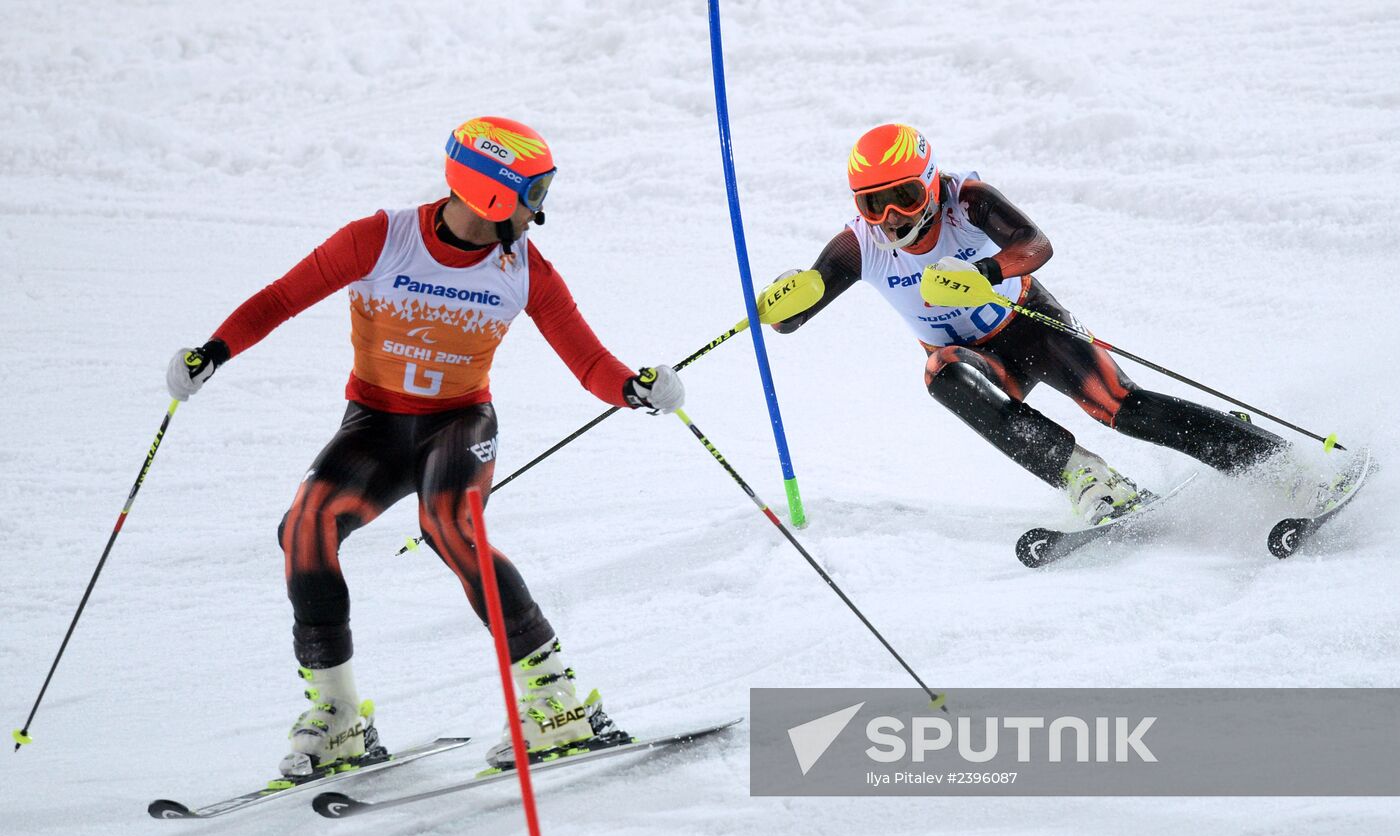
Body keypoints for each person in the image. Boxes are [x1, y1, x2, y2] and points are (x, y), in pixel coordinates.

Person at [166, 116, 685, 776]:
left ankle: (556, 702)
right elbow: (280, 299)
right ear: (493, 195)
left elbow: (588, 362)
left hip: (459, 426)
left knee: (447, 524)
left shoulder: (526, 269)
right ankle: (339, 719)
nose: (541, 208)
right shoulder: (379, 240)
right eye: (535, 192)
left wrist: (636, 388)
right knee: (305, 527)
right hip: (375, 427)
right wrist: (212, 352)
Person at [770, 123, 1287, 523]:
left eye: (904, 197)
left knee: (1119, 408)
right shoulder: (858, 244)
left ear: (930, 183)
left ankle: (1274, 461)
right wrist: (783, 301)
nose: (892, 218)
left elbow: (1037, 245)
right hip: (985, 365)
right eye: (872, 204)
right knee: (941, 372)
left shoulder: (965, 199)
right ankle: (1089, 480)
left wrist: (984, 271)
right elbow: (792, 322)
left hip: (1032, 327)